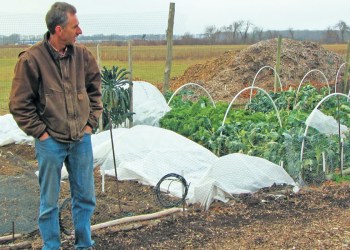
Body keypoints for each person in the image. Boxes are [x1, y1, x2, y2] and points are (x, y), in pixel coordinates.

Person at [9, 2, 102, 249]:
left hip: (81, 139)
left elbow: (95, 92)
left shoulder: (83, 56)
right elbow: (19, 104)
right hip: (50, 143)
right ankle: (51, 246)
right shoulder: (31, 60)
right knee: (49, 201)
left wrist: (90, 125)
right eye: (75, 26)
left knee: (85, 197)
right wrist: (42, 134)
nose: (80, 30)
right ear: (59, 30)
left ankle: (84, 244)